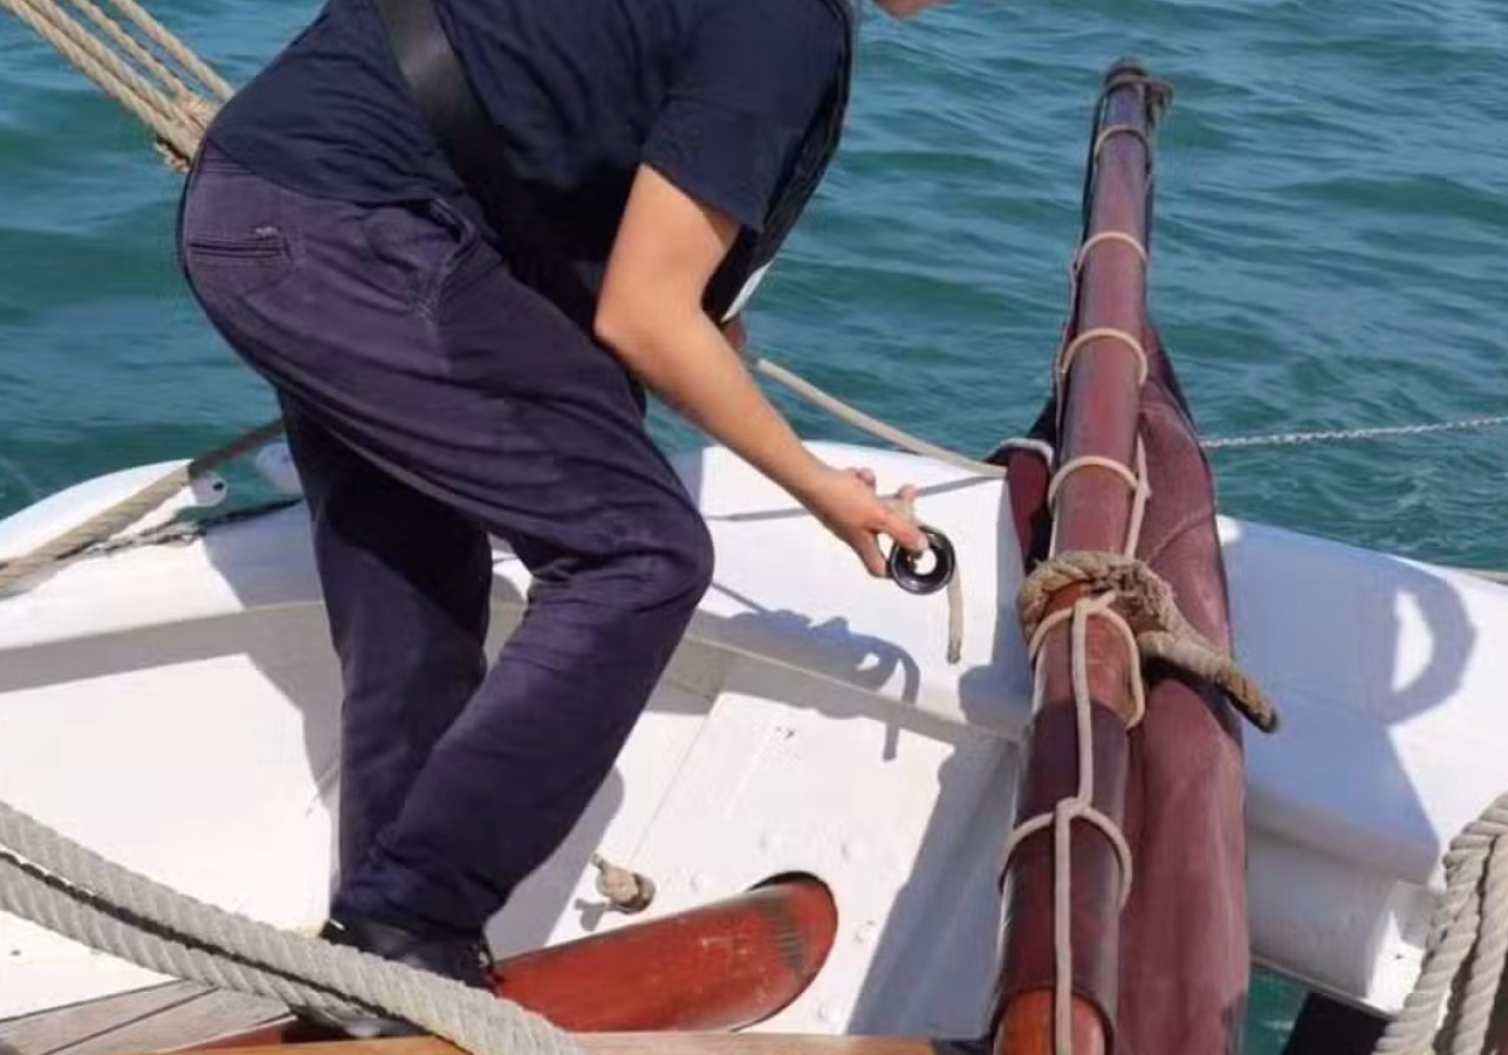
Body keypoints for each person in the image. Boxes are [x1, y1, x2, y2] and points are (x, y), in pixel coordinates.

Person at [175, 0, 943, 1034]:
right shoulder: (784, 25)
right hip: (351, 232)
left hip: (264, 207)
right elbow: (645, 314)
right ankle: (404, 922)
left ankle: (389, 975)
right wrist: (821, 485)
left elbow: (542, 101)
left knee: (420, 588)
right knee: (642, 554)